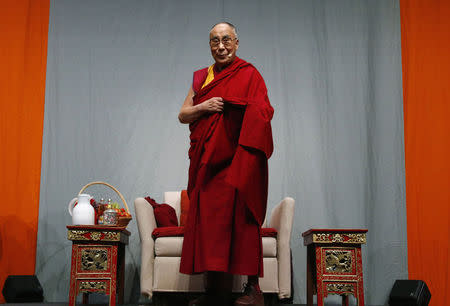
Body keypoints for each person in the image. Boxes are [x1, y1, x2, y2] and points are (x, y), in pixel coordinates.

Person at [178, 22, 274, 306]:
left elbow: (264, 111)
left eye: (226, 40)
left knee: (242, 222)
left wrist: (236, 106)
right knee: (209, 225)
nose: (220, 46)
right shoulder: (203, 78)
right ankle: (214, 291)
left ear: (236, 42)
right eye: (214, 41)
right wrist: (204, 107)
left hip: (237, 162)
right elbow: (183, 115)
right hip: (208, 165)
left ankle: (253, 290)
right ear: (209, 45)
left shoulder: (249, 74)